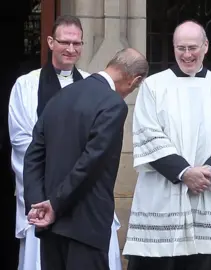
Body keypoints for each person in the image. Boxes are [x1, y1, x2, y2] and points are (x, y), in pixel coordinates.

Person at [122, 20, 211, 270]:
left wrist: (208, 172)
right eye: (180, 48)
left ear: (206, 46)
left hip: (209, 194)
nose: (187, 55)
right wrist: (184, 173)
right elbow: (148, 135)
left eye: (192, 47)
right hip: (163, 197)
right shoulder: (153, 87)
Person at [8, 15, 122, 270]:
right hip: (42, 193)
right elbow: (23, 143)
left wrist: (74, 181)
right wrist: (47, 195)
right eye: (64, 42)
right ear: (50, 42)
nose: (71, 49)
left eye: (77, 43)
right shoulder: (26, 85)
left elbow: (100, 146)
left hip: (85, 196)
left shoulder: (94, 85)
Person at [22, 48, 149, 270]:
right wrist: (56, 204)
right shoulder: (113, 104)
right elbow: (92, 161)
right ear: (134, 80)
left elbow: (33, 154)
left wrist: (38, 204)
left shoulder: (60, 96)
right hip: (86, 225)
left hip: (50, 225)